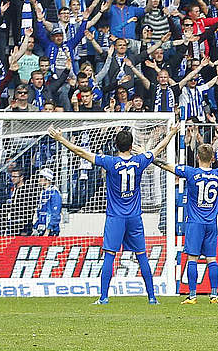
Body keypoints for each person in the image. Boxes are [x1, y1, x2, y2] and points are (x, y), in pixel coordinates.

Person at [47, 124, 176, 305]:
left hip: (116, 217)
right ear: (132, 145)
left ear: (116, 145)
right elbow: (158, 148)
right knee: (141, 255)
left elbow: (82, 153)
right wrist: (171, 132)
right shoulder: (140, 161)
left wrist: (61, 139)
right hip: (134, 217)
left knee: (109, 255)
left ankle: (104, 297)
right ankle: (152, 297)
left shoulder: (110, 162)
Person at [154, 133, 218, 303]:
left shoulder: (191, 172)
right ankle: (214, 295)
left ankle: (193, 295)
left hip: (195, 223)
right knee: (212, 259)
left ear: (197, 157)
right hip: (211, 223)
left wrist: (150, 157)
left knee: (192, 258)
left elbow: (166, 166)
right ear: (213, 158)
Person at [32, 168, 63, 236]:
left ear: (47, 179)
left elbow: (56, 214)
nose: (38, 180)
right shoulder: (43, 192)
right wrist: (35, 227)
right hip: (41, 229)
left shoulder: (54, 193)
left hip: (50, 231)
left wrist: (48, 229)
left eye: (41, 177)